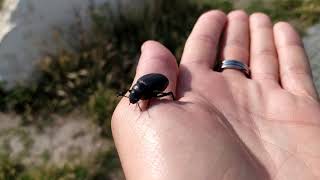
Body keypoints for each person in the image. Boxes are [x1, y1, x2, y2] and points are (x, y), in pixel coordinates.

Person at [112, 10, 320, 180]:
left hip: (155, 85)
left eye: (133, 97)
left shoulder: (141, 90)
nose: (133, 100)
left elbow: (145, 90)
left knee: (160, 92)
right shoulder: (140, 90)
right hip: (154, 85)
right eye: (134, 97)